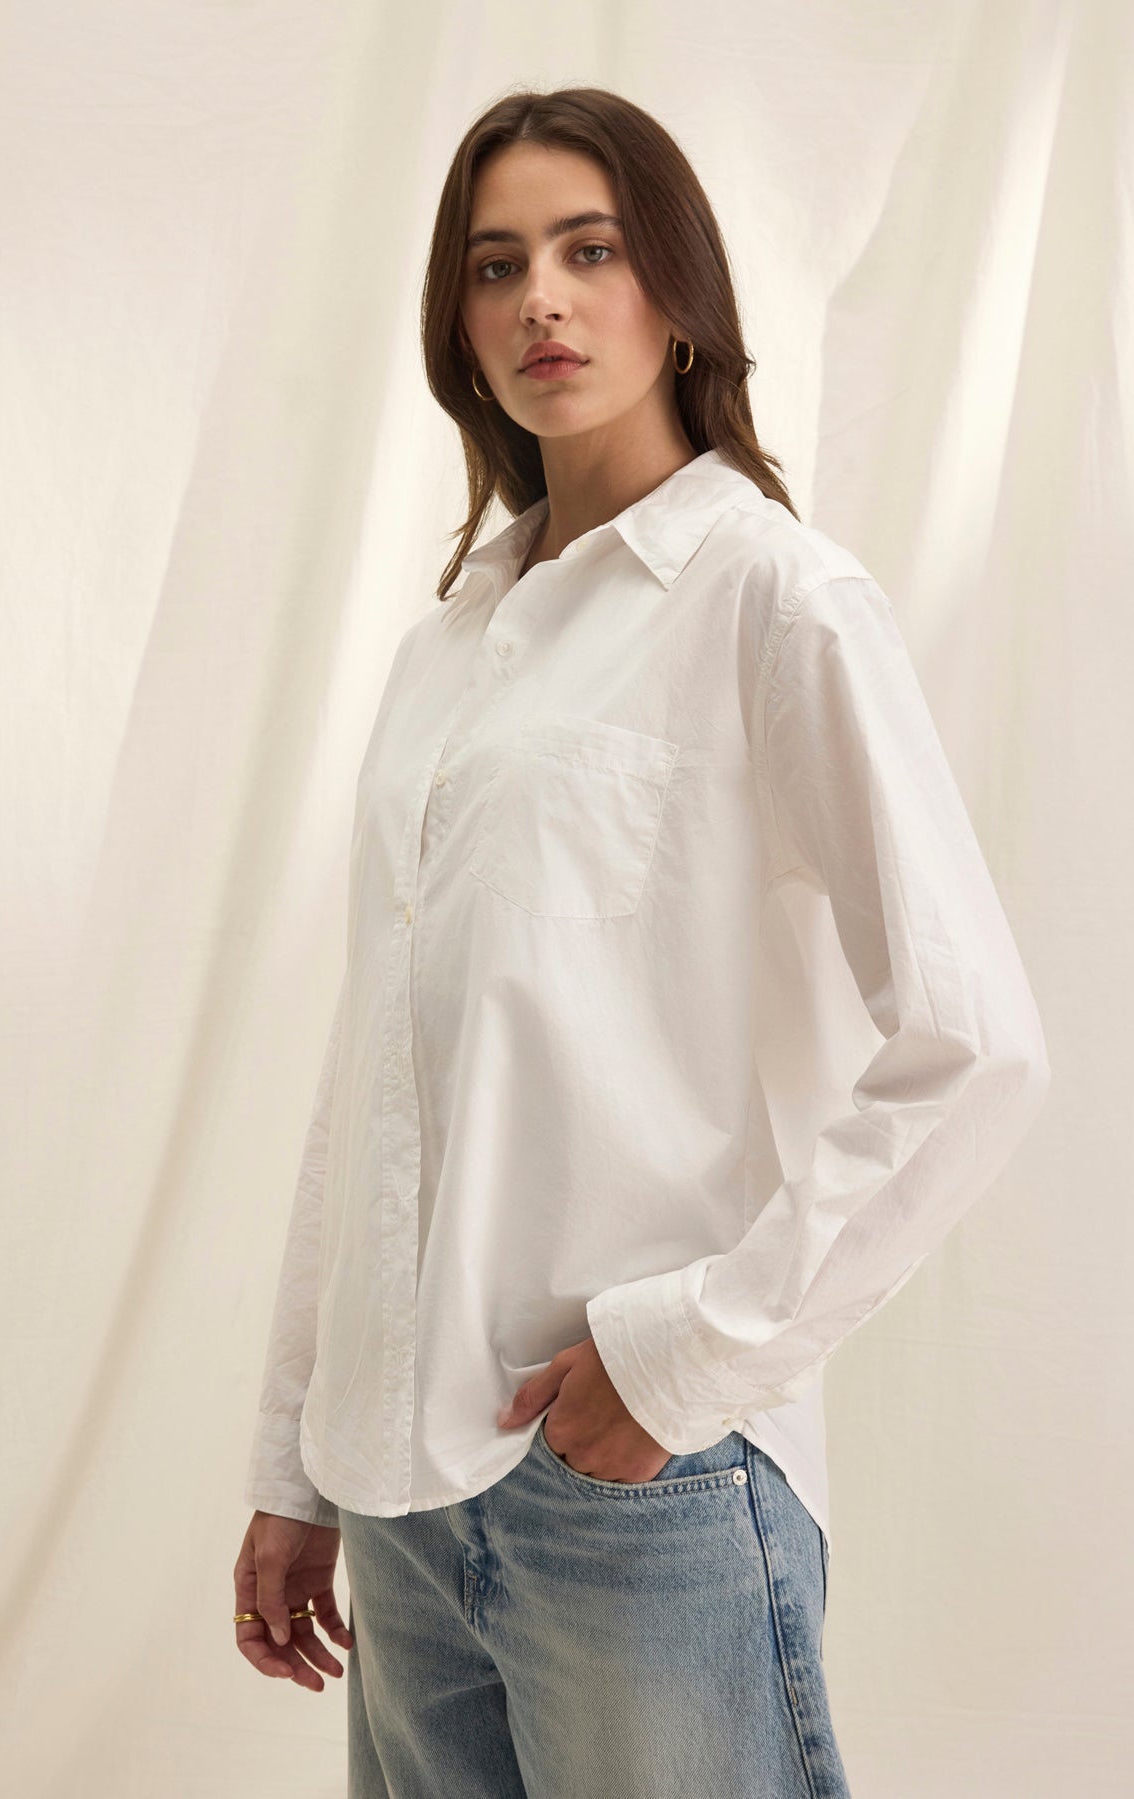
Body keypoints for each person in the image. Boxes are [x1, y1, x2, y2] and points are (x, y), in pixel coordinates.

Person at [232, 85, 1051, 1797]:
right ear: (458, 328)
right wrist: (299, 1462)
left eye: (590, 251)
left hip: (638, 1488)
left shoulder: (774, 598)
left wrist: (691, 1356)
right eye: (497, 263)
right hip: (400, 1493)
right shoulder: (443, 655)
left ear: (673, 294)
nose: (542, 297)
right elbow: (375, 1074)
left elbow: (976, 1042)